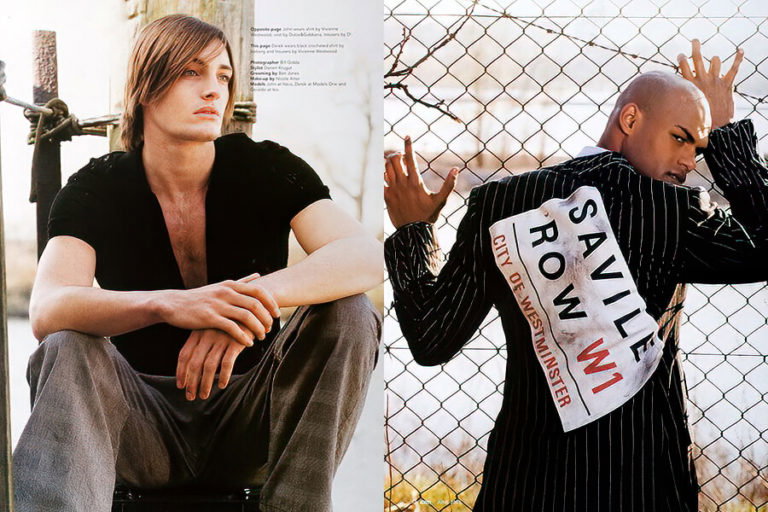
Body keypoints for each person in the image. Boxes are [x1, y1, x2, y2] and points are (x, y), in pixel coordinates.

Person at [13, 14, 383, 512]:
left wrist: (243, 307)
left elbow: (365, 255)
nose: (214, 91)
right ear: (145, 85)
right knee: (67, 345)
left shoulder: (263, 166)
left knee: (350, 312)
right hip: (140, 428)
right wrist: (172, 305)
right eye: (192, 72)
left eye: (223, 76)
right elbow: (49, 307)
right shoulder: (96, 187)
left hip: (250, 419)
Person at [384, 40, 765, 511]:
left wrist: (414, 232)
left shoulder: (499, 204)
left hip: (524, 486)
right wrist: (728, 138)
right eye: (681, 137)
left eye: (701, 148)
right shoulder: (672, 213)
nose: (691, 163)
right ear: (630, 120)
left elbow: (431, 337)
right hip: (643, 488)